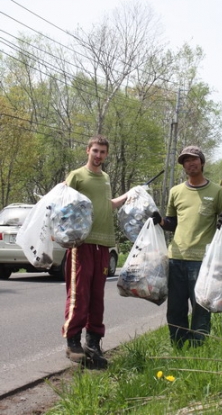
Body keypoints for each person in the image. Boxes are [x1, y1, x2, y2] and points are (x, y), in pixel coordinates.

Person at [152, 145, 222, 348]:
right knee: (175, 309)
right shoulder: (176, 192)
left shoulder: (217, 192)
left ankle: (199, 349)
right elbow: (172, 223)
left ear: (202, 162)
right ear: (183, 166)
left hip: (203, 262)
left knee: (201, 307)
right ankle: (179, 347)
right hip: (176, 258)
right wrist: (160, 221)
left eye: (194, 159)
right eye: (186, 160)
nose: (190, 163)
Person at [62, 134, 127, 368]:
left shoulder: (106, 178)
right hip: (82, 243)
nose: (98, 155)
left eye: (102, 152)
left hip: (103, 244)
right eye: (95, 151)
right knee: (79, 295)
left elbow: (105, 204)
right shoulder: (77, 176)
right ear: (87, 150)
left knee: (97, 298)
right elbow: (63, 206)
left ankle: (93, 344)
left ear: (106, 155)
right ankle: (73, 342)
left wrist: (129, 195)